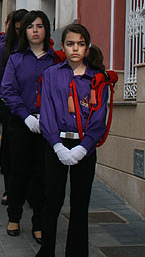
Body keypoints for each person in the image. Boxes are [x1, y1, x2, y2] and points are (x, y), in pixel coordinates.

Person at [37, 24, 112, 257]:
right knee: (52, 201)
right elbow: (46, 113)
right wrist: (57, 145)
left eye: (80, 44)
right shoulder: (51, 74)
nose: (75, 48)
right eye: (70, 44)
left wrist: (84, 147)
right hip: (57, 145)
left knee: (80, 205)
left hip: (84, 148)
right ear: (63, 46)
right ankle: (46, 250)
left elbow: (99, 117)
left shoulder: (98, 78)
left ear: (87, 48)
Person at [0, 11, 57, 242]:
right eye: (30, 26)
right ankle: (14, 216)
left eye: (40, 26)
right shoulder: (16, 58)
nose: (35, 30)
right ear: (24, 31)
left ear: (46, 30)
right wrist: (26, 116)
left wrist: (46, 117)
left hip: (47, 125)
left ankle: (39, 223)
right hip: (21, 123)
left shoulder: (55, 60)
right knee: (19, 172)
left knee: (41, 174)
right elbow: (7, 90)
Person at [0, 9, 28, 206]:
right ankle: (9, 187)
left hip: (29, 105)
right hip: (7, 104)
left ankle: (28, 188)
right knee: (9, 148)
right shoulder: (4, 47)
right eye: (17, 28)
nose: (21, 32)